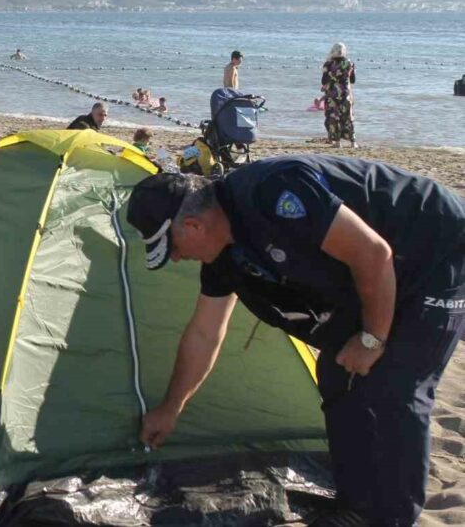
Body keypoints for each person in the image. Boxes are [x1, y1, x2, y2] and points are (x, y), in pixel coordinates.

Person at [126, 161, 465, 526]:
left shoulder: (274, 193)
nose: (176, 258)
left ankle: (392, 519)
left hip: (436, 247)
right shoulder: (224, 255)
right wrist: (172, 407)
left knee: (397, 387)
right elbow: (205, 332)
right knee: (338, 374)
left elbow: (373, 253)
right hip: (376, 272)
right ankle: (354, 505)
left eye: (172, 247)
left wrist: (372, 338)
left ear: (193, 225)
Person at [322, 42, 357, 149]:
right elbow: (353, 80)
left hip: (332, 95)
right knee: (348, 117)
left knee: (333, 117)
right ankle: (353, 143)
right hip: (346, 94)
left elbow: (324, 81)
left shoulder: (328, 64)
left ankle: (337, 143)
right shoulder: (350, 64)